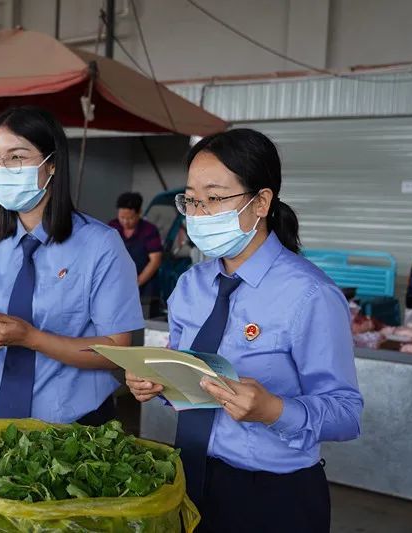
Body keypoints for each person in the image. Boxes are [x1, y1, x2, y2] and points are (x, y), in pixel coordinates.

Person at [125, 129, 363, 533]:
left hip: (271, 497)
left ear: (262, 202)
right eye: (193, 200)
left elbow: (346, 413)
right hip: (186, 475)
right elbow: (185, 375)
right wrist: (157, 384)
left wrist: (274, 410)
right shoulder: (191, 285)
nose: (199, 213)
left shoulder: (309, 295)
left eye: (214, 198)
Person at [0, 106, 144, 425]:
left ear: (52, 165)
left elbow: (117, 349)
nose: (2, 168)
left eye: (17, 157)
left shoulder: (100, 245)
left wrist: (33, 338)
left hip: (76, 422)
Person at [108, 192, 163, 314]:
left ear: (139, 213)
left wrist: (136, 283)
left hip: (145, 286)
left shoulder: (149, 230)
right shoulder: (112, 227)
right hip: (117, 285)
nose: (125, 222)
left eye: (130, 218)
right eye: (122, 217)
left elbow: (155, 260)